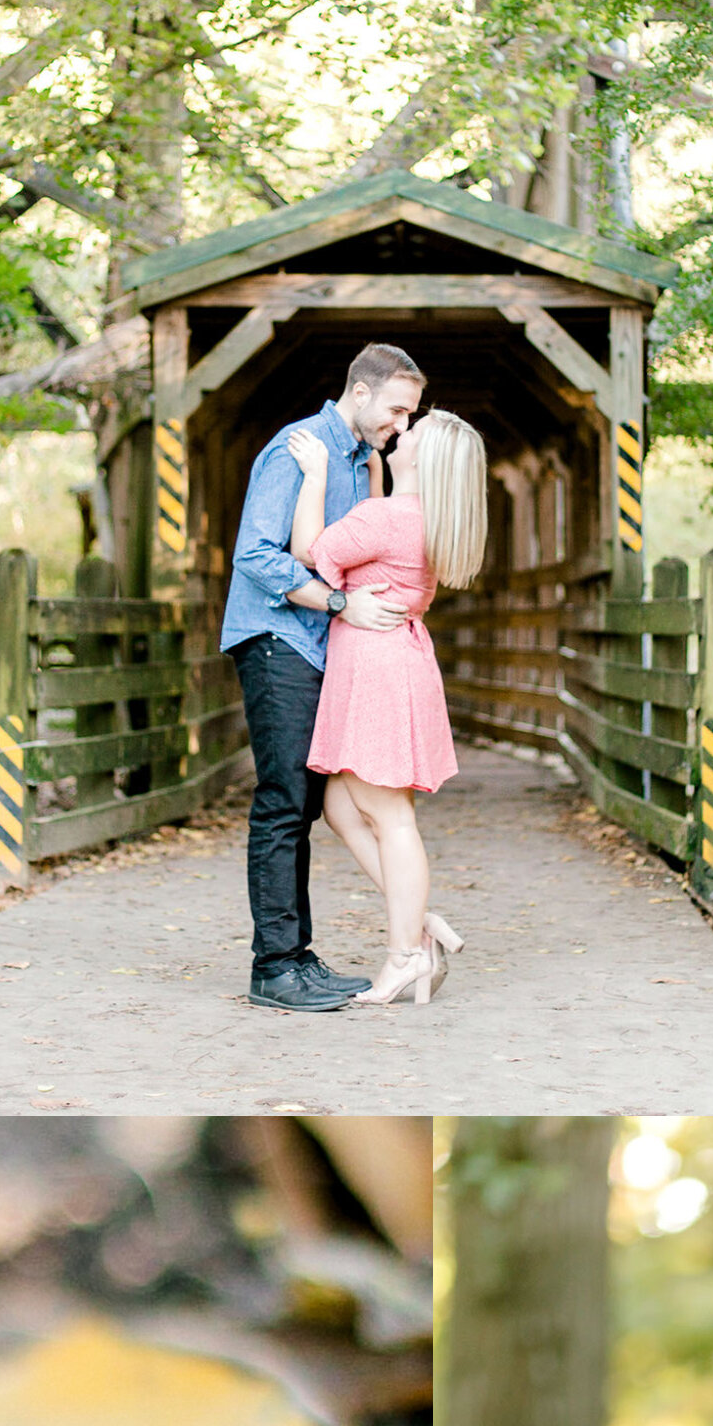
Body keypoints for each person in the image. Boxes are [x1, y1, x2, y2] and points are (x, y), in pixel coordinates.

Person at [218, 344, 424, 1014]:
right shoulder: (298, 447)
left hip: (313, 647)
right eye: (396, 409)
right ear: (359, 393)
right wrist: (340, 605)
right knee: (282, 802)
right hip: (276, 639)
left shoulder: (360, 462)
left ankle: (298, 957)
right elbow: (254, 553)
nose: (401, 424)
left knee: (305, 805)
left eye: (410, 414)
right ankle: (273, 967)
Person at [285, 406, 486, 1006]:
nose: (402, 430)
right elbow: (376, 531)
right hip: (396, 661)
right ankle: (421, 924)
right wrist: (374, 473)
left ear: (423, 457)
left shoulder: (387, 518)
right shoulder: (418, 517)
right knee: (343, 805)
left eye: (414, 431)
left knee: (389, 816)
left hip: (373, 669)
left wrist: (317, 474)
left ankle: (404, 955)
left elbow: (307, 551)